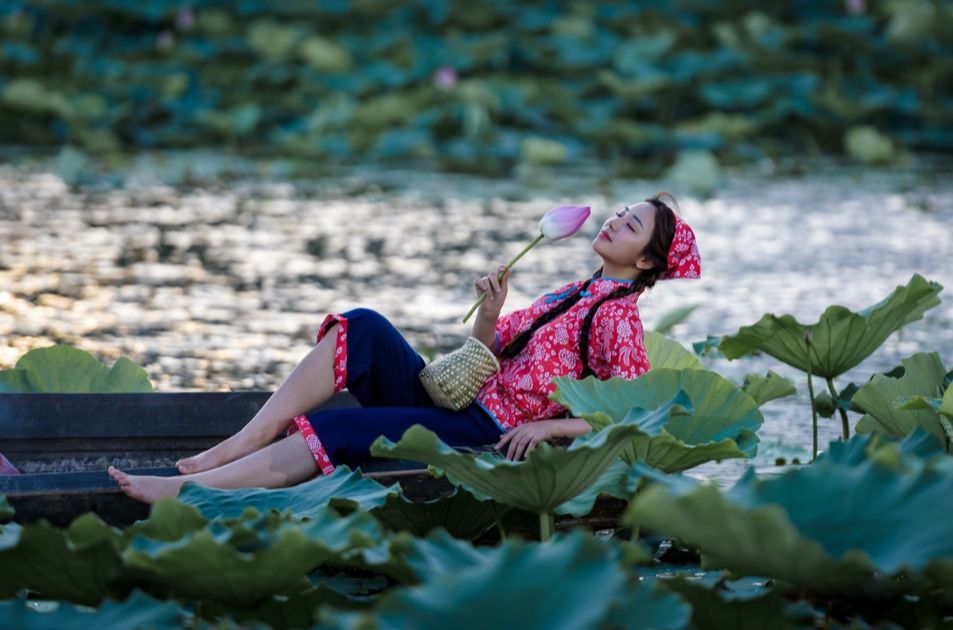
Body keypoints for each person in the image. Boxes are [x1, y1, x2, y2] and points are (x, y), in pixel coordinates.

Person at [108, 193, 701, 503]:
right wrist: (489, 315)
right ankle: (246, 438)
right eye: (620, 213)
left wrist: (549, 431)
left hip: (485, 432)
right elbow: (484, 355)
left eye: (630, 226)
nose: (615, 222)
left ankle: (187, 492)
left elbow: (624, 415)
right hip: (458, 400)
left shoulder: (617, 318)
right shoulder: (574, 291)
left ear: (646, 260)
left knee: (333, 431)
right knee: (362, 327)